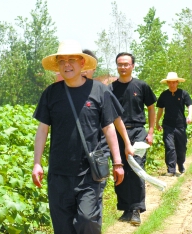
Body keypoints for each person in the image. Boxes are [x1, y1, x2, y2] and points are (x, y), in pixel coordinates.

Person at [32, 40, 125, 234]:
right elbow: (42, 130)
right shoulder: (51, 94)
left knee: (87, 220)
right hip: (58, 173)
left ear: (82, 63)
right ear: (57, 66)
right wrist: (37, 163)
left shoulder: (99, 91)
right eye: (62, 61)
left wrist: (118, 162)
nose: (67, 64)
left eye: (72, 60)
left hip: (89, 173)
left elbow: (109, 128)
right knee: (63, 227)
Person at [81, 49, 135, 225]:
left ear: (93, 68)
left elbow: (116, 120)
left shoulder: (101, 91)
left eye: (87, 66)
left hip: (99, 155)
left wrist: (127, 144)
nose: (82, 69)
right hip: (76, 157)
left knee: (94, 198)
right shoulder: (66, 91)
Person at [109, 52, 157, 226]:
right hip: (117, 134)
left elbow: (151, 108)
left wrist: (150, 132)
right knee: (120, 168)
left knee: (136, 168)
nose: (123, 67)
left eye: (126, 64)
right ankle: (126, 208)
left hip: (138, 132)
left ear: (133, 66)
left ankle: (136, 209)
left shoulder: (141, 86)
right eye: (120, 64)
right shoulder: (111, 89)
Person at [155, 72, 192, 177]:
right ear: (167, 83)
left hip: (180, 125)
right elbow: (160, 110)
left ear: (177, 82)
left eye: (174, 82)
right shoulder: (164, 95)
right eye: (170, 83)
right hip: (168, 125)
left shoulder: (183, 94)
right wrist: (157, 122)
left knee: (181, 148)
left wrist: (189, 116)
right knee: (170, 147)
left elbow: (190, 105)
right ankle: (171, 169)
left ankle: (180, 165)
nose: (172, 85)